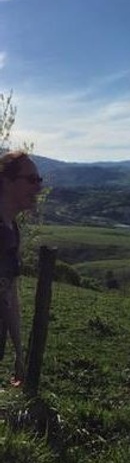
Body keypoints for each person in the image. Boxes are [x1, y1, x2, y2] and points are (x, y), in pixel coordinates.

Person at [0, 151, 42, 387]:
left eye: (39, 181)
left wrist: (18, 351)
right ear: (6, 182)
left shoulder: (13, 230)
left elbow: (9, 294)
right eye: (31, 180)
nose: (37, 188)